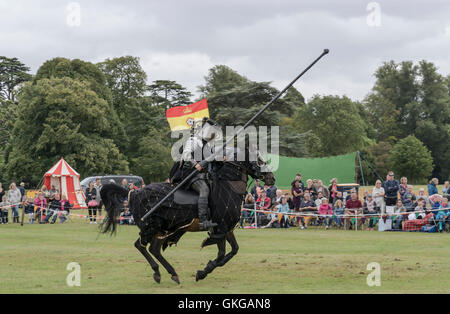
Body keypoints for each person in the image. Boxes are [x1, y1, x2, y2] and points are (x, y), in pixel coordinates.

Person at [176, 117, 220, 231]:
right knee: (204, 190)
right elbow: (186, 155)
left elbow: (211, 159)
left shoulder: (208, 145)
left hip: (202, 174)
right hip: (190, 174)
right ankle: (203, 221)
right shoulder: (194, 140)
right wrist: (195, 164)